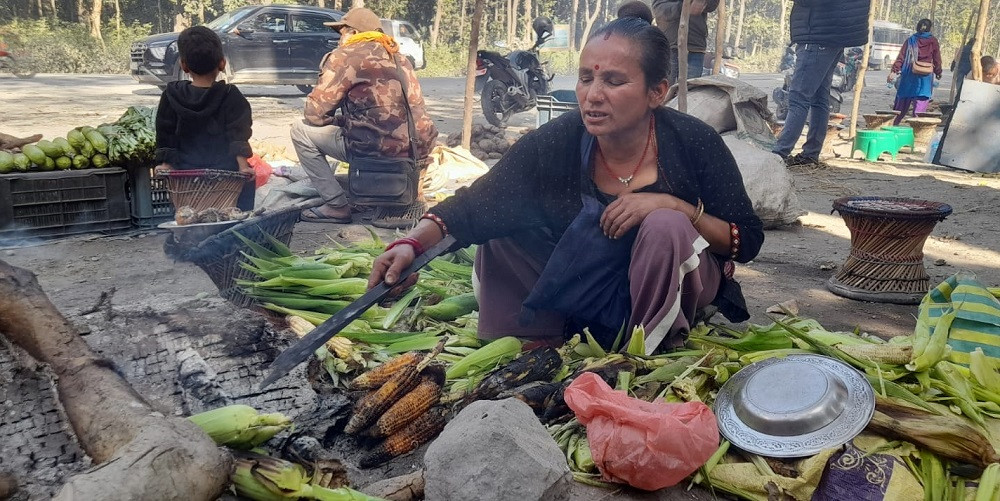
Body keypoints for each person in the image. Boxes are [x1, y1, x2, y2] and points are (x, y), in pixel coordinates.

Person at [367, 16, 764, 353]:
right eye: (586, 78)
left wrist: (674, 207)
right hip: (591, 277)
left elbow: (744, 241)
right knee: (505, 220)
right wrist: (411, 244)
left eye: (613, 80)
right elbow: (477, 204)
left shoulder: (692, 141)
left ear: (657, 92)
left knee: (665, 225)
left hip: (672, 284)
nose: (593, 95)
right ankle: (537, 340)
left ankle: (646, 350)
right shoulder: (558, 139)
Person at [291, 7, 438, 223]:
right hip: (416, 149)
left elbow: (315, 114)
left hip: (375, 149)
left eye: (341, 33)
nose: (340, 39)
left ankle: (336, 206)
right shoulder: (399, 57)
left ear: (351, 33)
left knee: (300, 131)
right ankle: (405, 194)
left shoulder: (346, 56)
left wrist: (338, 121)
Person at [154, 26, 254, 210]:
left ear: (184, 66)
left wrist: (166, 164)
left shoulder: (171, 94)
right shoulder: (231, 95)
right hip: (225, 175)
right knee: (240, 204)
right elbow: (238, 133)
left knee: (188, 215)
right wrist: (243, 167)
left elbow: (165, 133)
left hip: (185, 176)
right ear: (222, 63)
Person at [772, 0, 871, 167]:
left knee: (798, 98)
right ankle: (810, 153)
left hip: (818, 36)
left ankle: (779, 154)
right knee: (819, 98)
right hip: (831, 36)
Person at [888, 19, 942, 125]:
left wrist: (894, 71)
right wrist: (938, 72)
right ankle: (916, 131)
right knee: (919, 108)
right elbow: (937, 59)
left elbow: (901, 56)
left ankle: (893, 125)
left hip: (909, 76)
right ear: (930, 28)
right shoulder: (933, 41)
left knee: (900, 105)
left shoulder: (911, 40)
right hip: (925, 79)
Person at [652, 0, 719, 82]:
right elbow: (660, 10)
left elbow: (713, 4)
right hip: (670, 46)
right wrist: (683, 7)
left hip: (695, 47)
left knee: (691, 90)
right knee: (664, 87)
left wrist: (703, 2)